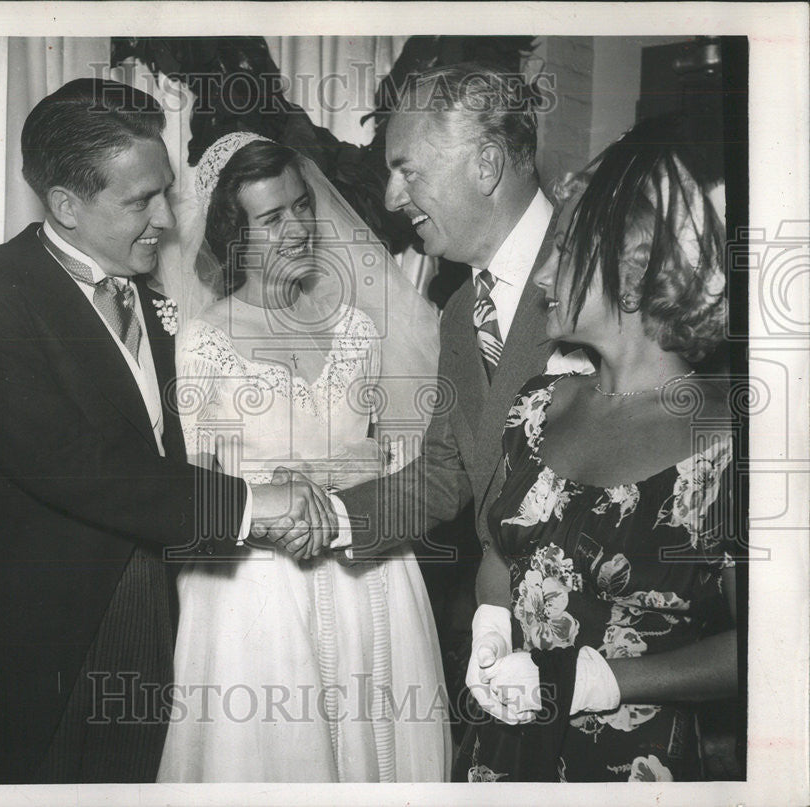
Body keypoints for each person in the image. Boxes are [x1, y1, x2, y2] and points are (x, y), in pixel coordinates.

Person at [0, 79, 333, 784]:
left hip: (155, 618)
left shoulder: (156, 300)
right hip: (35, 642)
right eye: (139, 201)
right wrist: (250, 503)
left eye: (165, 193)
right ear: (66, 205)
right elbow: (68, 462)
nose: (166, 221)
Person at [156, 132, 451, 782]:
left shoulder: (355, 329)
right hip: (258, 591)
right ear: (234, 233)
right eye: (270, 218)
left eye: (300, 207)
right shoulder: (201, 343)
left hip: (368, 569)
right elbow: (198, 489)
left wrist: (346, 479)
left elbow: (398, 458)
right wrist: (263, 488)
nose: (296, 229)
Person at [460, 113, 737, 782]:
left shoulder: (733, 437)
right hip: (508, 750)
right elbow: (503, 551)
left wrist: (605, 680)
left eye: (564, 249)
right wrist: (492, 624)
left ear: (635, 271)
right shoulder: (538, 403)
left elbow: (777, 645)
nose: (544, 273)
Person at [329, 63, 593, 712]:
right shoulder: (458, 312)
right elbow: (448, 472)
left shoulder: (598, 269)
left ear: (485, 164)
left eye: (407, 170)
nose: (391, 198)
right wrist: (326, 517)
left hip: (599, 653)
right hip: (505, 644)